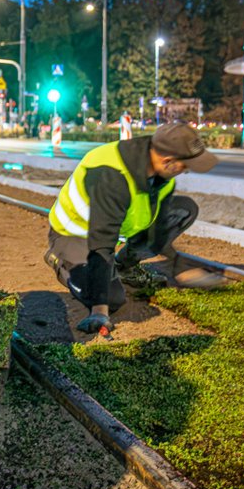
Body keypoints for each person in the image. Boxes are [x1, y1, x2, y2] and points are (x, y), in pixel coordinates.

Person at [43, 122, 218, 337]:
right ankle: (60, 259)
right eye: (185, 165)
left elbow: (159, 226)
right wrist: (100, 310)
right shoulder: (110, 175)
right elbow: (102, 242)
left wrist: (179, 267)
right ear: (167, 160)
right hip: (76, 235)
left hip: (115, 228)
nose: (187, 171)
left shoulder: (160, 173)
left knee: (183, 210)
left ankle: (123, 266)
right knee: (113, 299)